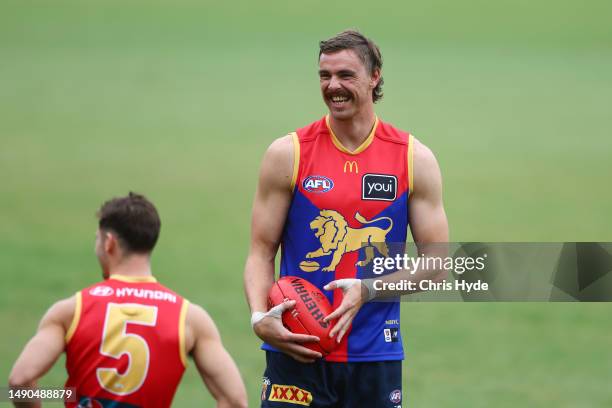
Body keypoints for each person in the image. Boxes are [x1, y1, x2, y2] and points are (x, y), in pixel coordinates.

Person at [244, 30, 448, 407]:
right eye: (325, 76)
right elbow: (260, 251)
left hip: (374, 357)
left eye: (345, 75)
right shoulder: (287, 154)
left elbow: (437, 263)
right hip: (295, 353)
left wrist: (368, 289)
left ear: (375, 77)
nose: (333, 86)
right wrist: (260, 317)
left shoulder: (412, 158)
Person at [9, 192, 247, 408]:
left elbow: (20, 382)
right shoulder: (190, 318)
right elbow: (235, 400)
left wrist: (68, 395)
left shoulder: (72, 310)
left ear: (108, 242)